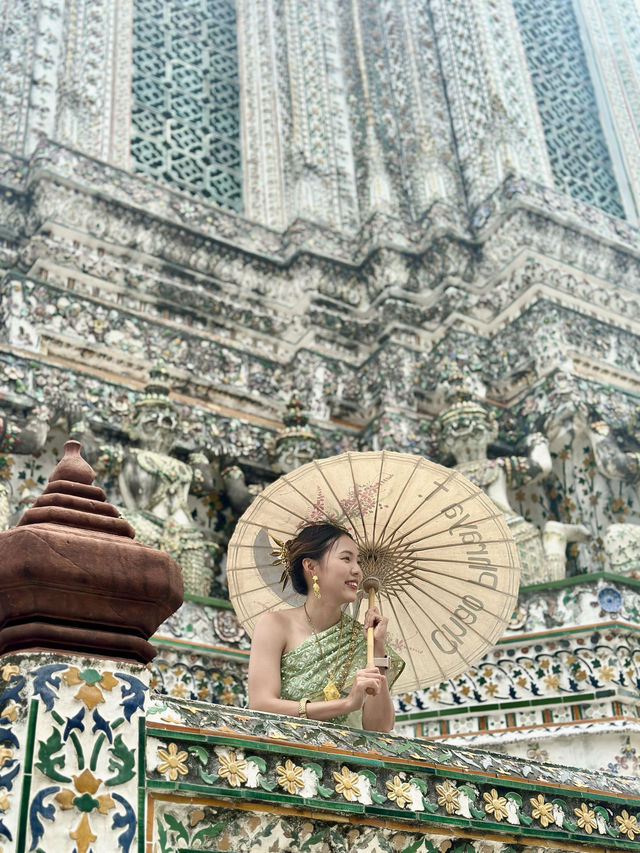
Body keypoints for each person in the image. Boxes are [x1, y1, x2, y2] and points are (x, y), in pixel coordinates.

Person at [247, 522, 404, 732]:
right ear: (311, 566)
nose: (357, 571)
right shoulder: (275, 626)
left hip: (346, 761)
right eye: (346, 558)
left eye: (358, 562)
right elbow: (261, 704)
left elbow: (380, 728)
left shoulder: (363, 639)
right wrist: (346, 704)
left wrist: (377, 648)